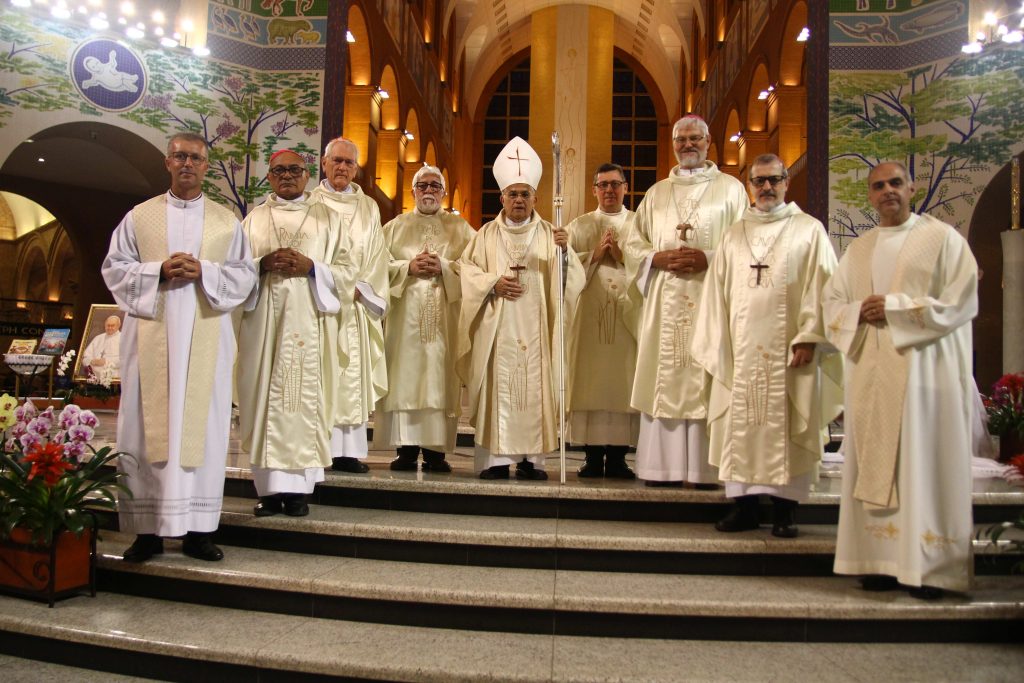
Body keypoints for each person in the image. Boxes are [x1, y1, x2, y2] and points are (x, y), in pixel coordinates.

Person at [823, 161, 978, 599]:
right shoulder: (860, 248)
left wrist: (893, 308)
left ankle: (930, 567)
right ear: (869, 196)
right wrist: (858, 312)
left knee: (923, 465)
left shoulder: (943, 240)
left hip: (925, 376)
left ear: (912, 187)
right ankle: (878, 561)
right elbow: (832, 302)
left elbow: (960, 301)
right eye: (878, 186)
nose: (887, 191)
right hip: (872, 375)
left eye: (895, 183)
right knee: (877, 461)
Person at [102, 132, 257, 563]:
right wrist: (159, 270)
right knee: (144, 426)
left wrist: (204, 270)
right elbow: (114, 268)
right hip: (152, 331)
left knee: (203, 429)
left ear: (207, 166)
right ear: (167, 163)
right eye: (179, 156)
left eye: (195, 157)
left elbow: (245, 277)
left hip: (207, 331)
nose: (187, 163)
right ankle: (146, 532)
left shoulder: (228, 221)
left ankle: (198, 531)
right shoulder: (138, 217)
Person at [692, 154, 842, 537]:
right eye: (758, 181)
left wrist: (810, 337)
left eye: (773, 180)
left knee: (788, 423)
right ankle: (743, 507)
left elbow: (824, 288)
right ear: (749, 186)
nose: (766, 188)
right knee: (739, 423)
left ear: (786, 182)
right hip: (739, 354)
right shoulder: (733, 234)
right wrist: (718, 345)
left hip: (791, 352)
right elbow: (715, 296)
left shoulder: (809, 231)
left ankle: (785, 510)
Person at [624, 115, 747, 488]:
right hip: (664, 301)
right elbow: (633, 242)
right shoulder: (657, 193)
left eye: (695, 138)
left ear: (709, 142)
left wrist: (708, 256)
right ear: (673, 144)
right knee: (666, 374)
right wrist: (655, 258)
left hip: (711, 299)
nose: (688, 145)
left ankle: (706, 471)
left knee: (709, 376)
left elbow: (746, 241)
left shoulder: (731, 190)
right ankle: (662, 469)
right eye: (681, 140)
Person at [457, 136, 584, 480]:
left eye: (524, 194)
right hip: (498, 330)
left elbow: (571, 284)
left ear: (535, 198)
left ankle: (533, 460)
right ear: (501, 197)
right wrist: (491, 284)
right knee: (502, 386)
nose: (518, 199)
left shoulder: (550, 234)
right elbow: (465, 271)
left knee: (535, 384)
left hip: (538, 331)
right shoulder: (484, 235)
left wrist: (565, 255)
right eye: (512, 193)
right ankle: (497, 460)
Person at [237, 149, 353, 517]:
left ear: (306, 175)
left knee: (306, 400)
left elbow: (349, 271)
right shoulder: (253, 220)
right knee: (263, 401)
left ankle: (300, 492)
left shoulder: (329, 219)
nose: (287, 176)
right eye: (278, 171)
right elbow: (233, 270)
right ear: (269, 177)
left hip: (310, 322)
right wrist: (261, 264)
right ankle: (269, 492)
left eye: (294, 170)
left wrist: (312, 267)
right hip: (263, 330)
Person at [373, 165, 474, 472]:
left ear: (443, 192)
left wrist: (444, 265)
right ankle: (405, 450)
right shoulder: (394, 227)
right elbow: (378, 266)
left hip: (444, 318)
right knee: (405, 379)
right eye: (422, 186)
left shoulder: (462, 228)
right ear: (413, 191)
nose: (429, 191)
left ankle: (435, 453)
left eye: (434, 186)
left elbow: (475, 268)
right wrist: (408, 268)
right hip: (405, 323)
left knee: (439, 381)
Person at [309, 137, 389, 475]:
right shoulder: (309, 202)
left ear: (356, 169)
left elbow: (377, 254)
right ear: (324, 163)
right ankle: (318, 447)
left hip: (355, 303)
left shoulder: (369, 206)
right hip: (320, 303)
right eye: (336, 161)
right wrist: (330, 285)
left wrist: (361, 288)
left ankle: (347, 453)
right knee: (323, 374)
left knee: (351, 376)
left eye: (349, 163)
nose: (342, 168)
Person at [565, 163, 640, 479]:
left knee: (623, 383)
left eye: (615, 184)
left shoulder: (640, 225)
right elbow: (563, 268)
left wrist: (623, 256)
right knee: (590, 383)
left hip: (628, 316)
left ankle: (619, 458)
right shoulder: (578, 226)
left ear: (625, 187)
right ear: (594, 189)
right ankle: (593, 456)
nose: (609, 190)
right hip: (589, 318)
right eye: (603, 185)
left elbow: (650, 262)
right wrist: (594, 255)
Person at [80, 315, 121, 380]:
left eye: (112, 325)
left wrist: (106, 361)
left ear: (118, 326)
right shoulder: (98, 338)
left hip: (116, 377)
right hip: (94, 378)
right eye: (108, 325)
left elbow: (126, 360)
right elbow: (85, 358)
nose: (109, 328)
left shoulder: (124, 339)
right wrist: (92, 361)